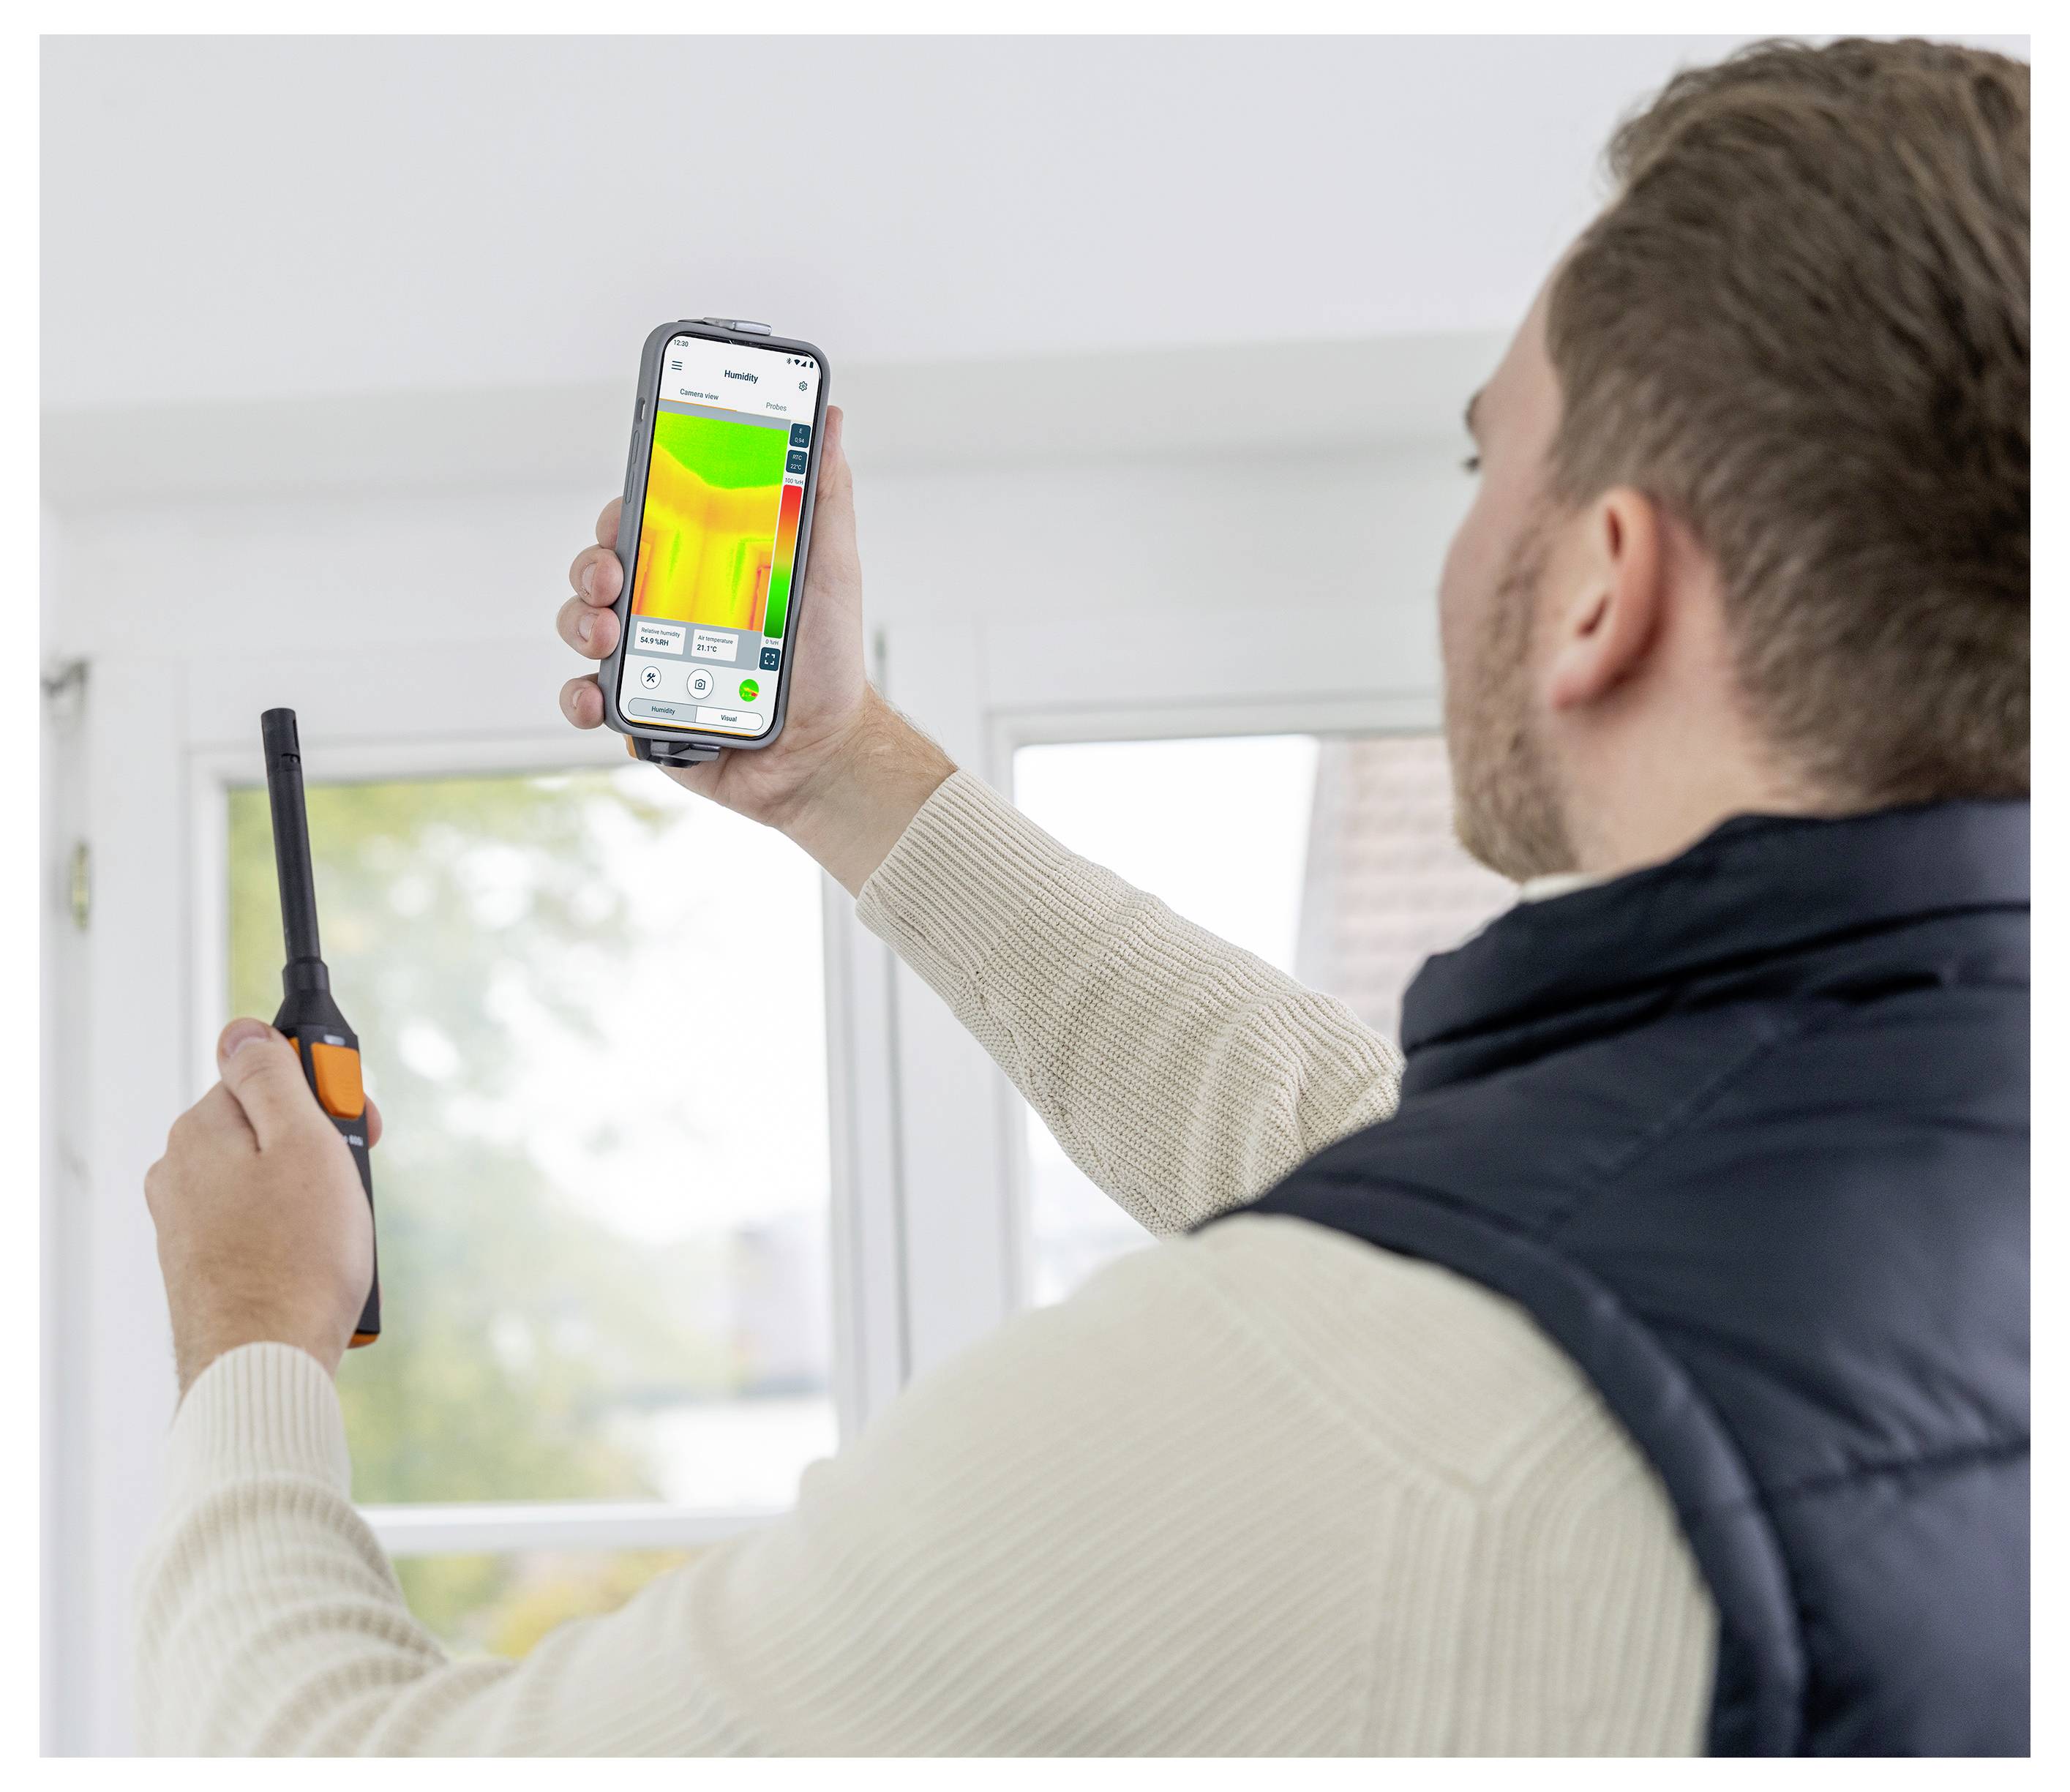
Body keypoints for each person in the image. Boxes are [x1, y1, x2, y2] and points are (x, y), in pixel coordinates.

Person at [135, 37, 2028, 1755]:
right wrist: (839, 768)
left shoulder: (1341, 1414)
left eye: (1484, 462)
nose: (1459, 542)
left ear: (1607, 585)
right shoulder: (1935, 1170)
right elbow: (1361, 1141)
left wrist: (253, 1327)